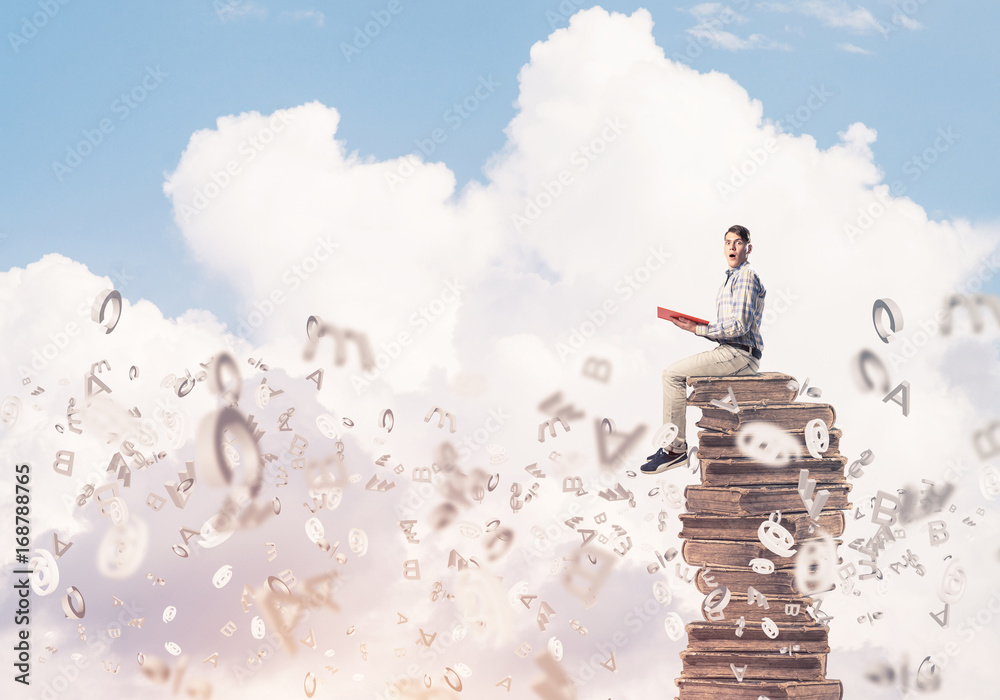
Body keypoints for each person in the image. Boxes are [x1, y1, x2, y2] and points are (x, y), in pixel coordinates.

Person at [641, 224, 766, 473]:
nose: (732, 247)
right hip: (731, 350)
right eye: (728, 242)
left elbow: (739, 326)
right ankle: (673, 447)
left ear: (748, 248)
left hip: (740, 354)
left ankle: (674, 449)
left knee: (672, 375)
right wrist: (694, 326)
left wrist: (698, 329)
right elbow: (729, 330)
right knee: (673, 374)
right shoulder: (730, 280)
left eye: (738, 242)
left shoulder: (746, 276)